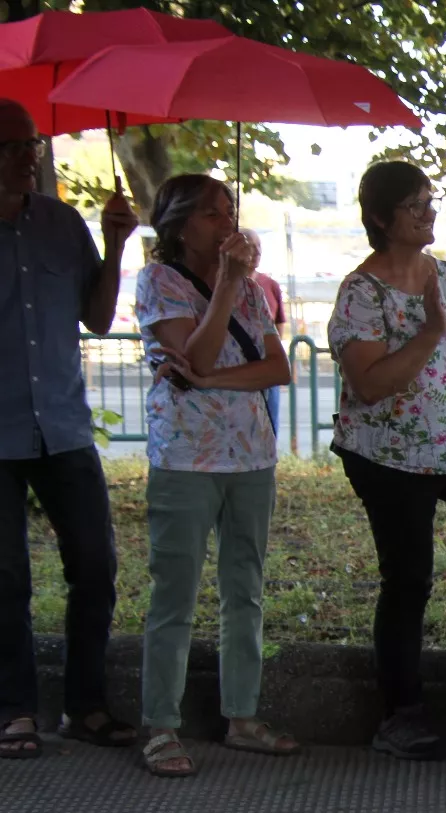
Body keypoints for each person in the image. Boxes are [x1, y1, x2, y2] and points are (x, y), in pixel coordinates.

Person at [327, 161, 446, 761]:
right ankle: (400, 717)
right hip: (387, 459)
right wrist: (433, 331)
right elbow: (371, 385)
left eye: (431, 201)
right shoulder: (362, 292)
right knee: (409, 579)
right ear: (381, 217)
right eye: (415, 205)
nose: (429, 212)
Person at [134, 174, 297, 776]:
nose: (225, 221)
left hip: (251, 455)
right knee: (174, 593)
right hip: (185, 458)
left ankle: (243, 716)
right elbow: (196, 351)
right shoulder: (159, 282)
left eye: (229, 209)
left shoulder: (252, 289)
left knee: (244, 589)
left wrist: (209, 381)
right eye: (209, 212)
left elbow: (276, 369)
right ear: (178, 223)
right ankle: (159, 725)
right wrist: (226, 287)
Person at [0, 98, 140, 759]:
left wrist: (115, 247)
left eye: (31, 143)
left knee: (95, 566)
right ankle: (15, 710)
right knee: (6, 580)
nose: (28, 157)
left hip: (63, 424)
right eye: (11, 147)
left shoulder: (60, 223)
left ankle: (84, 706)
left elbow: (100, 317)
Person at [241, 229, 291, 437]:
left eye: (259, 246)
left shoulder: (270, 285)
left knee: (269, 427)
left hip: (267, 368)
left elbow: (279, 326)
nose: (256, 251)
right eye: (250, 246)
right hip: (241, 371)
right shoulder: (222, 285)